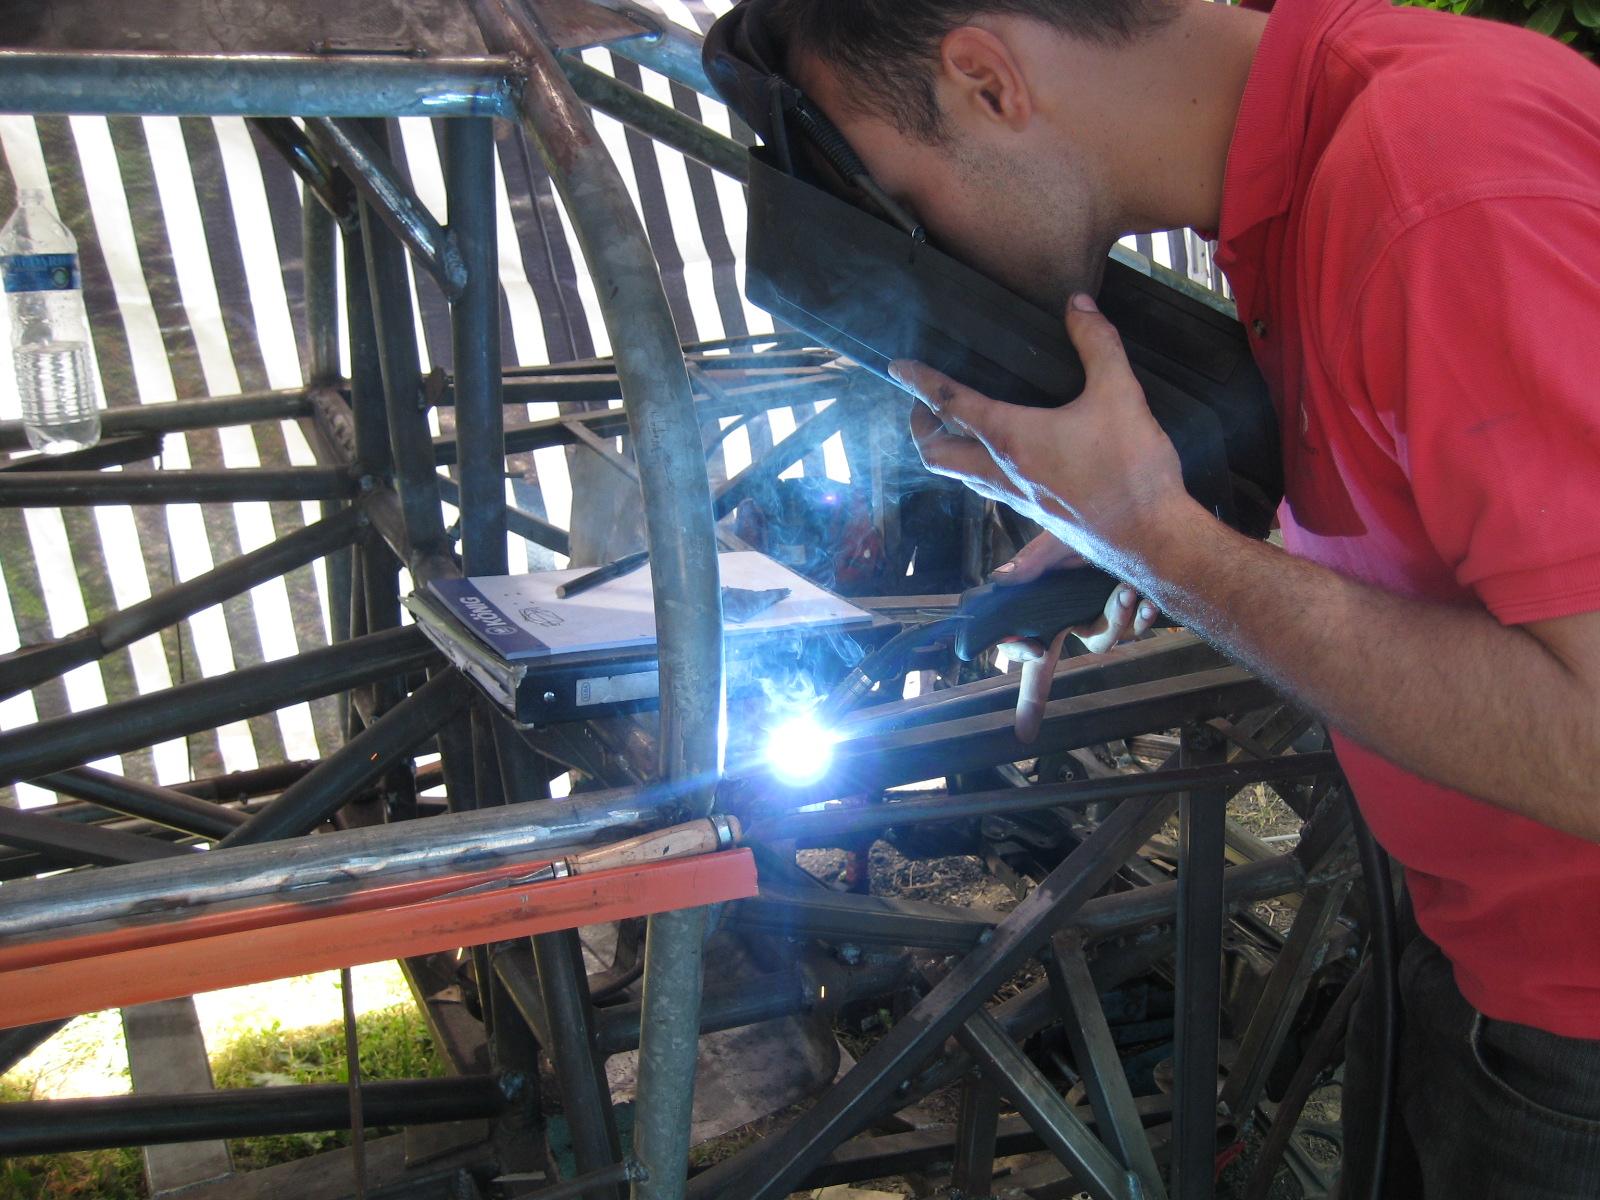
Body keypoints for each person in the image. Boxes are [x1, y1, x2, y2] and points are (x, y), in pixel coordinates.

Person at [722, 0, 1600, 1194]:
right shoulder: (1332, 155)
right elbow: (1449, 515)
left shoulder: (1439, 187)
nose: (934, 260)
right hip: (1472, 941)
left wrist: (1163, 546)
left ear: (987, 80)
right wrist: (1157, 527)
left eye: (913, 209)